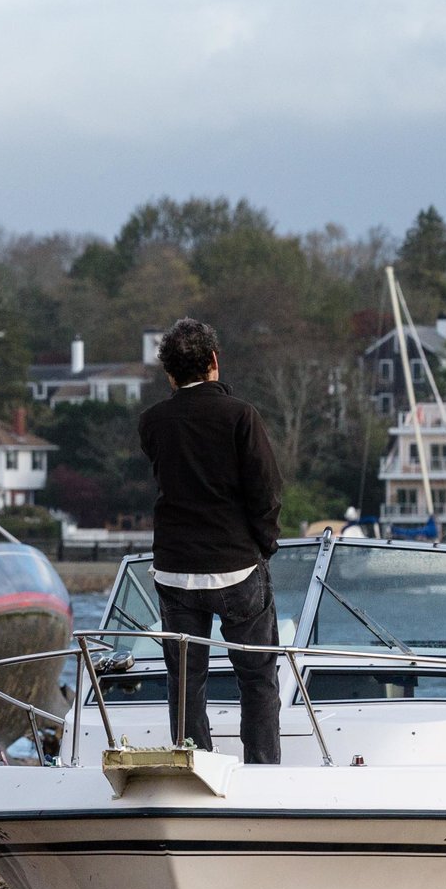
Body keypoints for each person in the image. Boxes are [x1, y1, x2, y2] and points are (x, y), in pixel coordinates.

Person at [136, 316, 283, 764]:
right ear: (215, 361)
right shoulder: (241, 415)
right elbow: (266, 489)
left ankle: (194, 769)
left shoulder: (153, 422)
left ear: (169, 373)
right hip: (237, 564)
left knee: (185, 681)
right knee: (257, 677)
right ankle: (261, 772)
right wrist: (264, 545)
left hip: (175, 568)